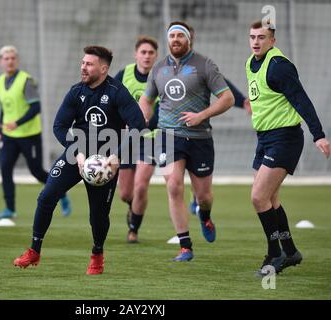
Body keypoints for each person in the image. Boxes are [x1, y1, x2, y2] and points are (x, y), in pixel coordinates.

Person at [13, 46, 146, 274]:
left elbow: (138, 124)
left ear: (103, 69)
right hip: (77, 154)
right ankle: (34, 250)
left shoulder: (116, 91)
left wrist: (116, 157)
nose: (83, 67)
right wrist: (78, 153)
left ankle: (97, 254)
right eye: (82, 62)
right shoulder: (76, 92)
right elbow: (59, 126)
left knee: (98, 216)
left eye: (89, 64)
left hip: (104, 163)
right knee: (46, 197)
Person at [139, 21, 235, 261]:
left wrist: (201, 115)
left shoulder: (205, 65)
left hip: (200, 138)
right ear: (168, 40)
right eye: (172, 36)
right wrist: (142, 117)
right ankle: (185, 246)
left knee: (204, 195)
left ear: (188, 39)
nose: (176, 40)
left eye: (180, 36)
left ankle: (205, 216)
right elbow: (146, 100)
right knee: (173, 186)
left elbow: (228, 98)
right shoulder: (158, 69)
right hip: (168, 136)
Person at [245, 21, 330, 276]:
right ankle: (291, 251)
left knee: (258, 197)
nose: (256, 41)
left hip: (285, 138)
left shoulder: (279, 66)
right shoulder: (251, 62)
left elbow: (301, 99)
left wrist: (319, 135)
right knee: (270, 199)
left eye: (262, 37)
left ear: (273, 41)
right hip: (264, 138)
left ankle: (275, 254)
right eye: (252, 37)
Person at [0, 45, 71, 219]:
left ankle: (62, 193)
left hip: (29, 136)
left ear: (17, 60)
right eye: (6, 58)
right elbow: (4, 110)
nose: (10, 61)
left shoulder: (26, 80)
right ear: (0, 62)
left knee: (36, 171)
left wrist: (17, 123)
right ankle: (10, 209)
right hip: (9, 136)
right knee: (5, 169)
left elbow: (36, 107)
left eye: (13, 58)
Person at [114, 36, 159, 243]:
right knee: (125, 193)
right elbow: (111, 99)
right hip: (126, 139)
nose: (147, 56)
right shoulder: (124, 74)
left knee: (141, 186)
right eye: (143, 52)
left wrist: (143, 124)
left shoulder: (160, 77)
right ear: (136, 55)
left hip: (150, 139)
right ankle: (134, 207)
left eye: (151, 53)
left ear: (156, 56)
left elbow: (161, 111)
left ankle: (134, 229)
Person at [188, 79, 252, 215]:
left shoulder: (201, 67)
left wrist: (242, 101)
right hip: (170, 132)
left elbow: (221, 83)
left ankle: (201, 208)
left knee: (201, 190)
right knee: (174, 185)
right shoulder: (162, 72)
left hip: (198, 132)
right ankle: (183, 235)